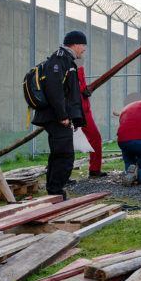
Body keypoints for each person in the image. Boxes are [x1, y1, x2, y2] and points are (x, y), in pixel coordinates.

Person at [32, 30, 87, 200]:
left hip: (59, 116)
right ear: (76, 44)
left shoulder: (66, 60)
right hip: (56, 117)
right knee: (64, 155)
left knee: (59, 153)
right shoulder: (59, 60)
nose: (84, 49)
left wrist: (75, 118)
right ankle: (56, 192)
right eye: (83, 45)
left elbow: (69, 93)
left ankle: (54, 191)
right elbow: (54, 89)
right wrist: (63, 115)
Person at [76, 66, 106, 177]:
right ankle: (59, 176)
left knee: (95, 138)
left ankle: (94, 170)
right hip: (74, 110)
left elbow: (81, 86)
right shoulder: (65, 65)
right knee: (64, 142)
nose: (84, 49)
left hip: (85, 110)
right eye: (83, 47)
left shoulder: (80, 67)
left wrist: (85, 91)